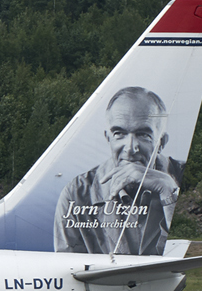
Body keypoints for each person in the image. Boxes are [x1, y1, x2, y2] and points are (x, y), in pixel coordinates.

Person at [54, 86, 184, 255]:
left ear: (161, 142)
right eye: (119, 133)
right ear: (108, 138)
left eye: (143, 135)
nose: (130, 148)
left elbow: (194, 254)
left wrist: (170, 194)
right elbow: (68, 267)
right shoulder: (77, 194)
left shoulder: (186, 177)